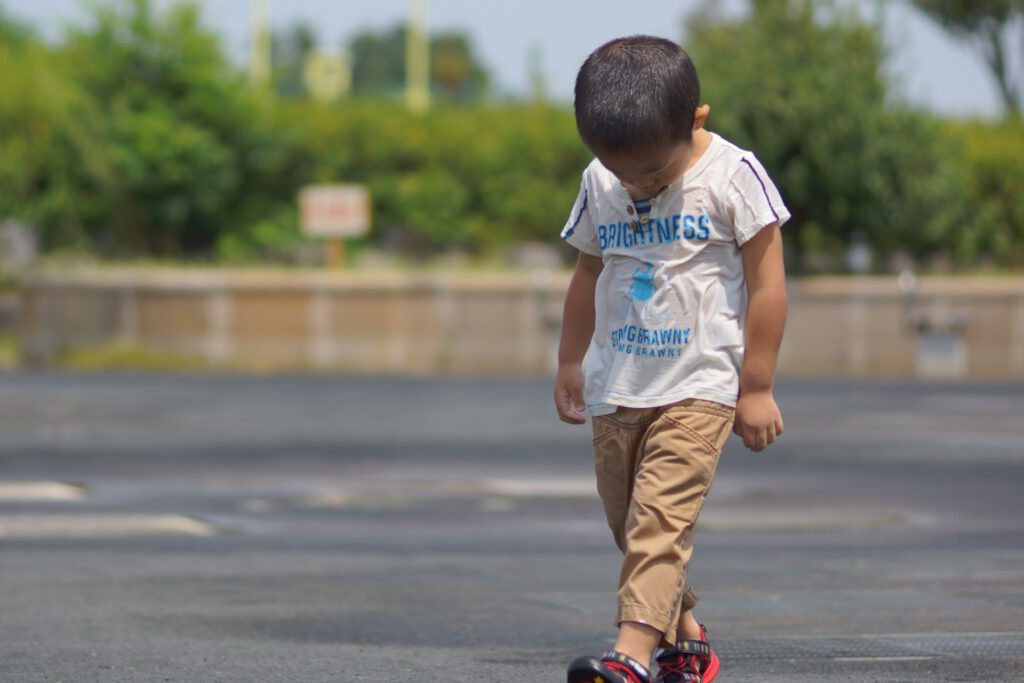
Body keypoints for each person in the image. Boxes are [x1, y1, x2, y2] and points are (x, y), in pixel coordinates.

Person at [555, 35, 789, 683]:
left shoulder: (734, 175)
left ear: (697, 121)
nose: (636, 185)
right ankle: (686, 640)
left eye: (654, 174)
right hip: (618, 385)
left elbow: (769, 284)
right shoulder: (601, 180)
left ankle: (630, 655)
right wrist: (570, 360)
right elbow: (586, 273)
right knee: (630, 523)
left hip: (701, 384)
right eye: (622, 171)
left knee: (659, 518)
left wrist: (757, 385)